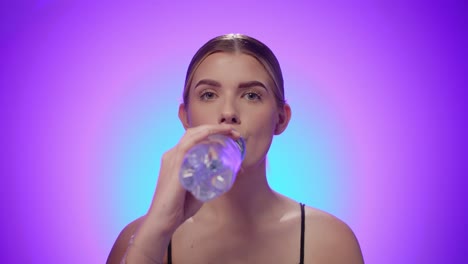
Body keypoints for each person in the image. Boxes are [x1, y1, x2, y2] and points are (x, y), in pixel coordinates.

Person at [107, 33, 364, 264]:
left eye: (251, 95)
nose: (228, 113)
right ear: (185, 117)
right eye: (209, 94)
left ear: (281, 118)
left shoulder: (330, 243)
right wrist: (156, 233)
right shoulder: (140, 238)